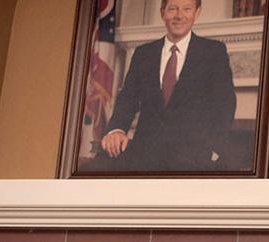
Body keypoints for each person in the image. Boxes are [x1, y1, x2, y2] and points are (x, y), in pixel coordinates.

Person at [96, 0, 236, 171]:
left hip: (193, 157)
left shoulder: (213, 52)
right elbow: (128, 98)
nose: (179, 15)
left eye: (187, 9)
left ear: (197, 13)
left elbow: (225, 103)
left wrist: (214, 146)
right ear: (163, 13)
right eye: (172, 9)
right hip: (145, 154)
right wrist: (116, 129)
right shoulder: (143, 53)